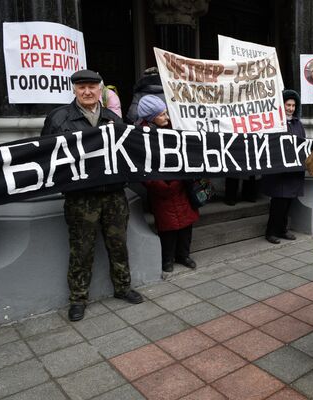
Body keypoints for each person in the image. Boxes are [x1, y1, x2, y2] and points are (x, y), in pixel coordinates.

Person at [41, 69, 144, 322]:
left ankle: (123, 287)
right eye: (81, 87)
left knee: (118, 243)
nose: (87, 92)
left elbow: (129, 154)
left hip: (113, 195)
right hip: (80, 198)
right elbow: (46, 154)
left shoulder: (113, 119)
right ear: (74, 90)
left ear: (101, 90)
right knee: (81, 249)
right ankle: (78, 298)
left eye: (91, 87)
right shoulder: (59, 118)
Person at [137, 95, 199, 273]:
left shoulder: (174, 127)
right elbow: (142, 165)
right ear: (150, 117)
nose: (167, 117)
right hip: (161, 189)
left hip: (181, 184)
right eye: (162, 114)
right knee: (168, 227)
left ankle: (184, 255)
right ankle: (167, 259)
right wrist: (161, 185)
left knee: (186, 224)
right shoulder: (140, 136)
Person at [262, 90, 306, 244]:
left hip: (293, 170)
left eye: (293, 105)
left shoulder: (297, 123)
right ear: (282, 105)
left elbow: (302, 143)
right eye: (288, 105)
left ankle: (282, 230)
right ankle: (270, 232)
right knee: (278, 203)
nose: (291, 108)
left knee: (288, 202)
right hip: (279, 171)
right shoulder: (274, 123)